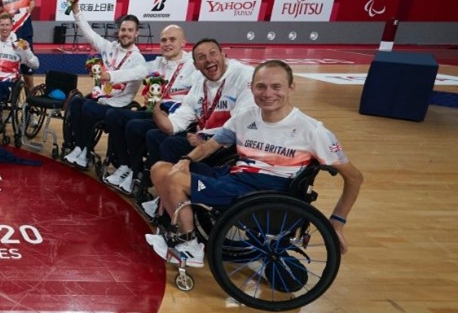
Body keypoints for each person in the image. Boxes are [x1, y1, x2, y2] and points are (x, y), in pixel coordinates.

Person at [145, 60, 363, 268]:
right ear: (252, 88)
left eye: (276, 86)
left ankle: (190, 246)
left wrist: (336, 222)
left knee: (174, 179)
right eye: (261, 86)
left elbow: (354, 177)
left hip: (262, 192)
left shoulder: (313, 131)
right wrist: (186, 160)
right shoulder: (245, 117)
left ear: (291, 87)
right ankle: (181, 229)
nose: (267, 93)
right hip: (234, 180)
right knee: (160, 169)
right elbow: (211, 145)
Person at [140, 37, 255, 219]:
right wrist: (155, 110)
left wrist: (210, 140)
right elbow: (175, 124)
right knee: (156, 135)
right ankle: (169, 194)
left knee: (170, 145)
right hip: (203, 138)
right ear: (196, 65)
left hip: (230, 143)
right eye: (202, 57)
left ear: (223, 55)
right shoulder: (200, 82)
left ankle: (173, 201)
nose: (208, 60)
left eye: (212, 54)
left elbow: (242, 122)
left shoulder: (244, 75)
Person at [101, 24, 196, 192]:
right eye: (164, 40)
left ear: (183, 43)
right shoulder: (157, 63)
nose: (167, 43)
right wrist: (110, 76)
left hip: (175, 118)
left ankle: (136, 172)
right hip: (154, 111)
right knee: (114, 116)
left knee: (134, 126)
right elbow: (135, 72)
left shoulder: (193, 67)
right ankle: (125, 165)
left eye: (172, 39)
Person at [62, 0, 147, 169]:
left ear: (136, 33)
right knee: (76, 102)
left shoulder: (138, 59)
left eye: (130, 30)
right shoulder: (109, 47)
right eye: (123, 29)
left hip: (117, 106)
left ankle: (86, 151)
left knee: (88, 107)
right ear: (118, 31)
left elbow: (133, 74)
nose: (126, 33)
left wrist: (110, 76)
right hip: (100, 99)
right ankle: (79, 147)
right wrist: (77, 11)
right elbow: (89, 33)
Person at [0, 0, 59, 90]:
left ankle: (30, 103)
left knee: (27, 75)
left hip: (24, 39)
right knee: (8, 71)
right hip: (9, 40)